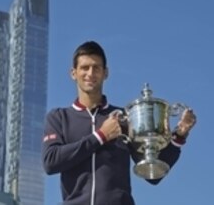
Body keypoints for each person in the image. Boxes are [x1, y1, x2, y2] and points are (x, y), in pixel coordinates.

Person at [42, 41, 196, 205]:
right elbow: (51, 162)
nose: (90, 73)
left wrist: (179, 135)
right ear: (73, 73)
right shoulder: (59, 117)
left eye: (96, 68)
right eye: (84, 68)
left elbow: (153, 174)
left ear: (105, 73)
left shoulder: (124, 118)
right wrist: (100, 136)